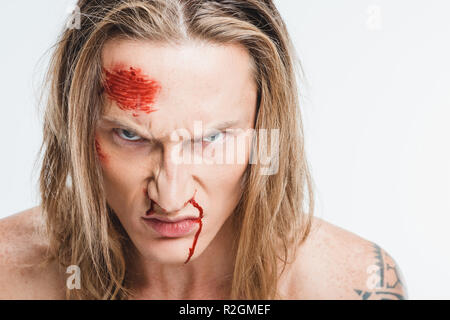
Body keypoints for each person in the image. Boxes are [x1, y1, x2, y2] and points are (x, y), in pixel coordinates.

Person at [0, 0, 407, 300]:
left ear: (265, 129)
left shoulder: (351, 285)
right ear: (78, 128)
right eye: (131, 136)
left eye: (211, 139)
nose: (170, 197)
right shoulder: (9, 275)